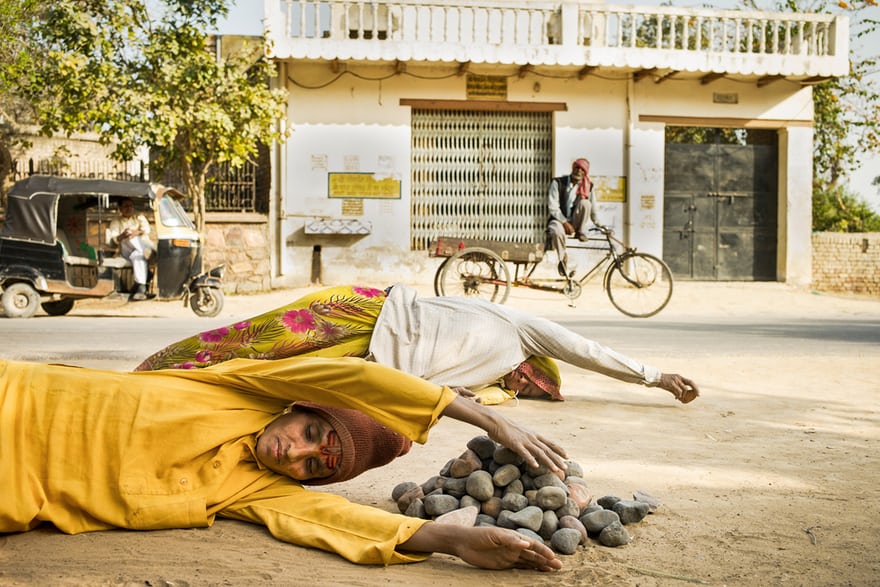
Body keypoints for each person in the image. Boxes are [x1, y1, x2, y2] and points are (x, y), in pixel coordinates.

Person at [0, 355, 565, 571]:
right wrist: (482, 417)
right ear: (300, 406)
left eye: (316, 466)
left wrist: (447, 540)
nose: (295, 453)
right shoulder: (244, 387)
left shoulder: (253, 491)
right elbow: (354, 377)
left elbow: (334, 522)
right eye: (312, 432)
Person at [135, 284, 699, 405]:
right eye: (534, 382)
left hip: (372, 357)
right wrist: (655, 375)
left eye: (529, 391)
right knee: (245, 340)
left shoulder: (488, 384)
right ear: (536, 368)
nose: (524, 387)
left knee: (260, 378)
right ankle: (151, 371)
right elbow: (586, 348)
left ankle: (172, 390)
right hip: (368, 307)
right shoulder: (523, 329)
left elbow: (465, 398)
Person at [547, 158, 600, 277]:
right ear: (573, 168)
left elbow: (593, 210)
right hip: (558, 220)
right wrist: (565, 222)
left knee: (586, 203)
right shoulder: (558, 182)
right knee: (556, 231)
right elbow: (553, 206)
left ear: (585, 173)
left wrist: (600, 225)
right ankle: (562, 259)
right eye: (577, 168)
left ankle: (580, 231)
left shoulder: (588, 186)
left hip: (575, 223)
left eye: (582, 169)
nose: (579, 171)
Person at [105, 196, 155, 300]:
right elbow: (114, 239)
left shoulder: (139, 217)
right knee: (129, 236)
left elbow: (146, 230)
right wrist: (124, 235)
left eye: (131, 206)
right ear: (120, 209)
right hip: (125, 250)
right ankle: (148, 255)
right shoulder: (116, 221)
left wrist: (136, 232)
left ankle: (141, 288)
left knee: (137, 256)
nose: (129, 209)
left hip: (140, 248)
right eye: (126, 206)